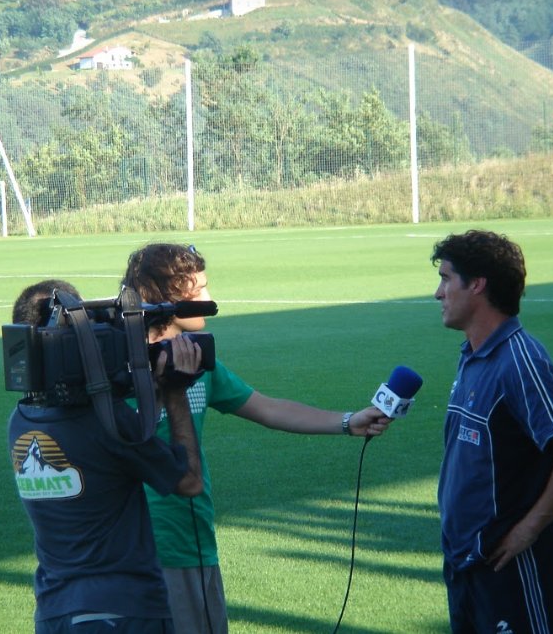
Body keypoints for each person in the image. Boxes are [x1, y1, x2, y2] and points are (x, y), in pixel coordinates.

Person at [121, 244, 393, 634]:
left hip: (194, 544)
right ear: (167, 299)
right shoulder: (116, 373)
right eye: (198, 292)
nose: (210, 301)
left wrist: (349, 421)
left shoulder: (200, 364)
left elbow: (267, 408)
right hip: (145, 551)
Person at [7, 279, 206, 633]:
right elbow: (188, 481)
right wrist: (174, 394)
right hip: (122, 610)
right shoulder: (106, 421)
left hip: (55, 611)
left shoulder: (20, 421)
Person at [430, 231, 553, 634]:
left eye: (446, 278)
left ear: (477, 284)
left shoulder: (519, 361)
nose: (438, 292)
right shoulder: (473, 355)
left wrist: (527, 530)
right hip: (467, 562)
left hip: (509, 568)